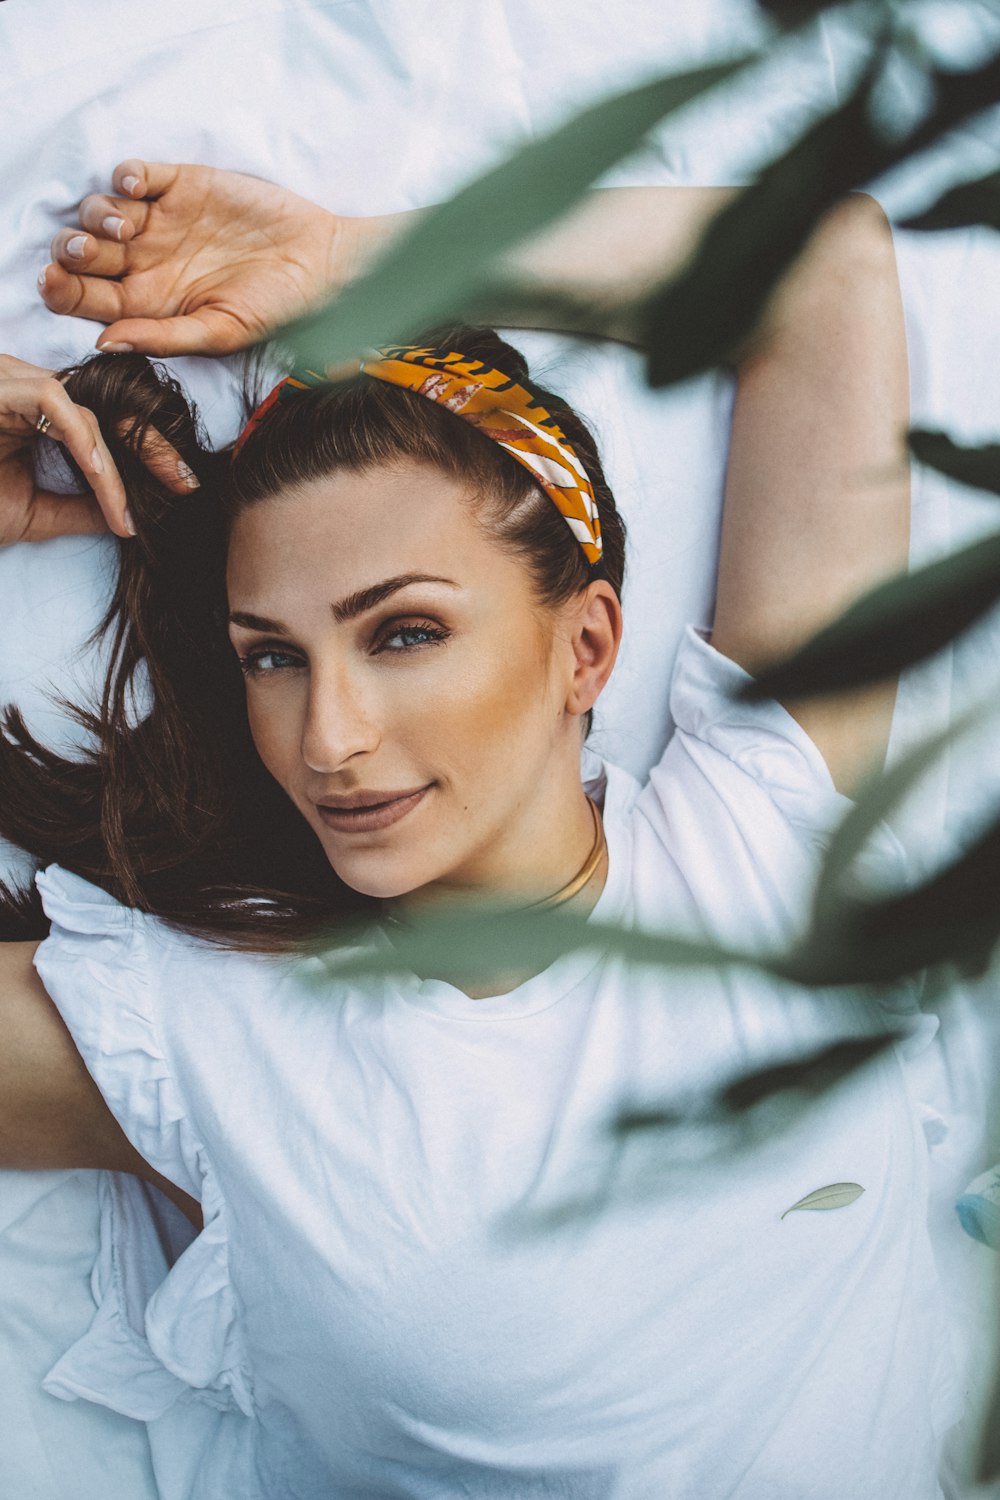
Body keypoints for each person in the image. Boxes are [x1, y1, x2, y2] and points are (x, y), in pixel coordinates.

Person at [0, 163, 960, 1498]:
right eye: (272, 658)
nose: (327, 738)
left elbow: (818, 262)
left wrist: (348, 257)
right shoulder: (204, 1038)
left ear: (588, 643)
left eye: (405, 634)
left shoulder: (762, 831)